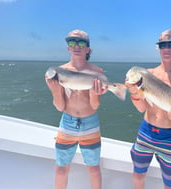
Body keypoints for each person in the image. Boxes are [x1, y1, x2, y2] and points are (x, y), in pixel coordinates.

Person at [125, 29, 171, 189]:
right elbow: (142, 107)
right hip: (146, 132)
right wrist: (134, 91)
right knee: (138, 174)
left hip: (169, 137)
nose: (166, 49)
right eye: (162, 45)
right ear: (158, 48)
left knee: (170, 184)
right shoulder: (148, 74)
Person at [45, 29, 107, 189]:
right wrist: (54, 90)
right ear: (68, 48)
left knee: (93, 168)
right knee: (61, 168)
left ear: (88, 48)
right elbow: (60, 106)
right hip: (67, 123)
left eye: (81, 42)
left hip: (90, 123)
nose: (76, 46)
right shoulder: (59, 72)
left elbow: (95, 105)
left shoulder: (96, 72)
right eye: (72, 42)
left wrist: (94, 93)